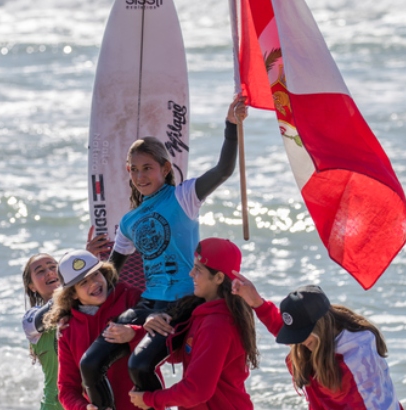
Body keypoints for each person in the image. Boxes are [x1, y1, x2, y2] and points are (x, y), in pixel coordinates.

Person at [80, 95, 249, 409]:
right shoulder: (128, 221)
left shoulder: (184, 197)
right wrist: (82, 266)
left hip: (184, 300)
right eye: (134, 170)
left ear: (165, 168)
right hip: (148, 302)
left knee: (139, 366)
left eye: (148, 168)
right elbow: (111, 272)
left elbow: (224, 170)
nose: (141, 176)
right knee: (90, 364)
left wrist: (231, 125)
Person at [127, 237, 260, 410]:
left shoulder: (218, 325)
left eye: (198, 270)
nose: (191, 274)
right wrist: (141, 332)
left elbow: (197, 391)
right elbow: (180, 355)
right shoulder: (204, 311)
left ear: (218, 278)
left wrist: (150, 399)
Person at [232, 278, 404, 409]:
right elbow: (291, 331)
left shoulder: (352, 361)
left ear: (320, 324)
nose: (298, 341)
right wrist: (257, 304)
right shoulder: (328, 337)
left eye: (302, 334)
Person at [44, 250, 159, 410]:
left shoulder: (131, 298)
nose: (93, 283)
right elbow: (67, 388)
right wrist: (83, 408)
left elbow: (168, 347)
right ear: (73, 294)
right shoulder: (68, 330)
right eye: (83, 283)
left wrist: (134, 334)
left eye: (95, 274)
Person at [22, 254, 65, 410]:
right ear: (32, 286)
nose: (49, 272)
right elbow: (47, 315)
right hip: (55, 406)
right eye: (40, 271)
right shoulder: (31, 319)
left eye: (53, 266)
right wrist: (76, 275)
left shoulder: (85, 306)